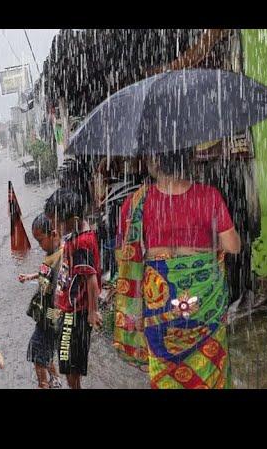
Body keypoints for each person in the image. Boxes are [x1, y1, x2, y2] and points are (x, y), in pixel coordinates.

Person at [113, 149, 241, 389]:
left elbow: (124, 256)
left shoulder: (135, 204)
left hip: (159, 309)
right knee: (210, 373)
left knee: (166, 375)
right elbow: (233, 246)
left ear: (153, 160)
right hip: (205, 305)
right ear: (188, 159)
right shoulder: (208, 196)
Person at [44, 189, 102, 389]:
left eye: (56, 222)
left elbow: (91, 278)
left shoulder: (82, 243)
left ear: (73, 219)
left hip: (75, 314)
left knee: (69, 364)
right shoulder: (77, 234)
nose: (53, 226)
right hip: (68, 309)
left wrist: (93, 311)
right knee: (68, 360)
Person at [18, 213, 63, 389]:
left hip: (51, 316)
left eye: (40, 240)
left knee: (37, 352)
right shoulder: (53, 253)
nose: (39, 245)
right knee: (45, 352)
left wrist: (53, 319)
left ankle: (43, 385)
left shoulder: (60, 258)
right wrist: (31, 276)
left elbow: (60, 291)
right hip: (47, 315)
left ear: (54, 234)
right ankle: (56, 380)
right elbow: (46, 273)